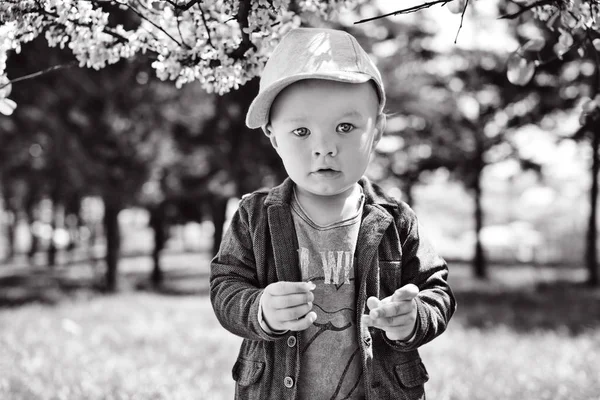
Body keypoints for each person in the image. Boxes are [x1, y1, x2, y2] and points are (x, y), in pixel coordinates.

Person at [210, 27, 456, 400]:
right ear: (274, 137)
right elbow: (226, 286)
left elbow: (436, 290)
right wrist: (260, 308)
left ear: (376, 132)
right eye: (302, 131)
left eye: (345, 127)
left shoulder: (395, 219)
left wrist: (413, 317)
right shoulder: (253, 216)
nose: (324, 147)